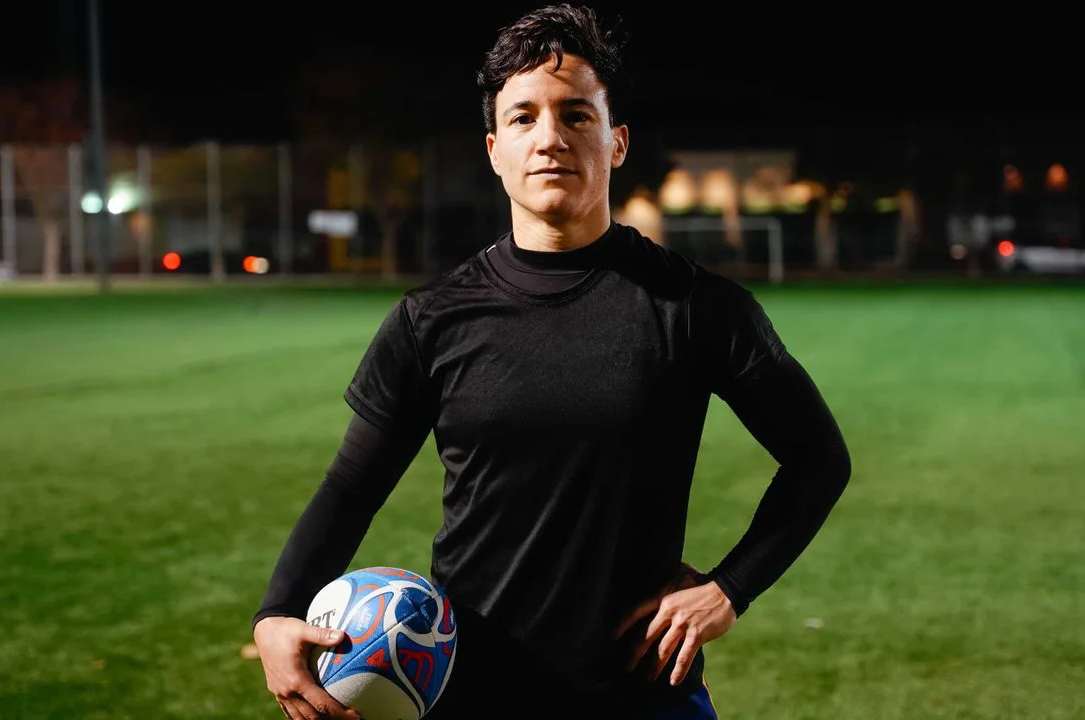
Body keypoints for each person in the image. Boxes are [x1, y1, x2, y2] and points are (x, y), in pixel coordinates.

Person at [251, 4, 852, 719]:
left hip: (642, 694)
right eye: (524, 117)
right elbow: (352, 486)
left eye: (576, 116)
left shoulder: (695, 307)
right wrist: (277, 612)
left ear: (617, 141)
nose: (550, 139)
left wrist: (729, 588)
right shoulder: (432, 319)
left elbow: (819, 459)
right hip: (473, 693)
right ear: (494, 148)